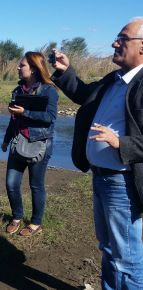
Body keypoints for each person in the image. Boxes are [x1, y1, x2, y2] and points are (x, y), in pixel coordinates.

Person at [50, 17, 143, 289]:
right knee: (109, 249)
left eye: (123, 38)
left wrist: (121, 143)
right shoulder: (114, 80)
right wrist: (66, 72)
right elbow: (84, 94)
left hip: (122, 183)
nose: (115, 42)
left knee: (127, 259)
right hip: (101, 178)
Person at [1, 51, 59, 236]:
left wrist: (24, 112)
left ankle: (35, 223)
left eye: (22, 65)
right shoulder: (18, 91)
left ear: (34, 68)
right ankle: (17, 217)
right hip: (18, 143)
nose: (18, 68)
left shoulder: (49, 90)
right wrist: (6, 139)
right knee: (11, 183)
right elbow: (13, 120)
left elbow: (50, 118)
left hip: (40, 145)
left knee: (36, 185)